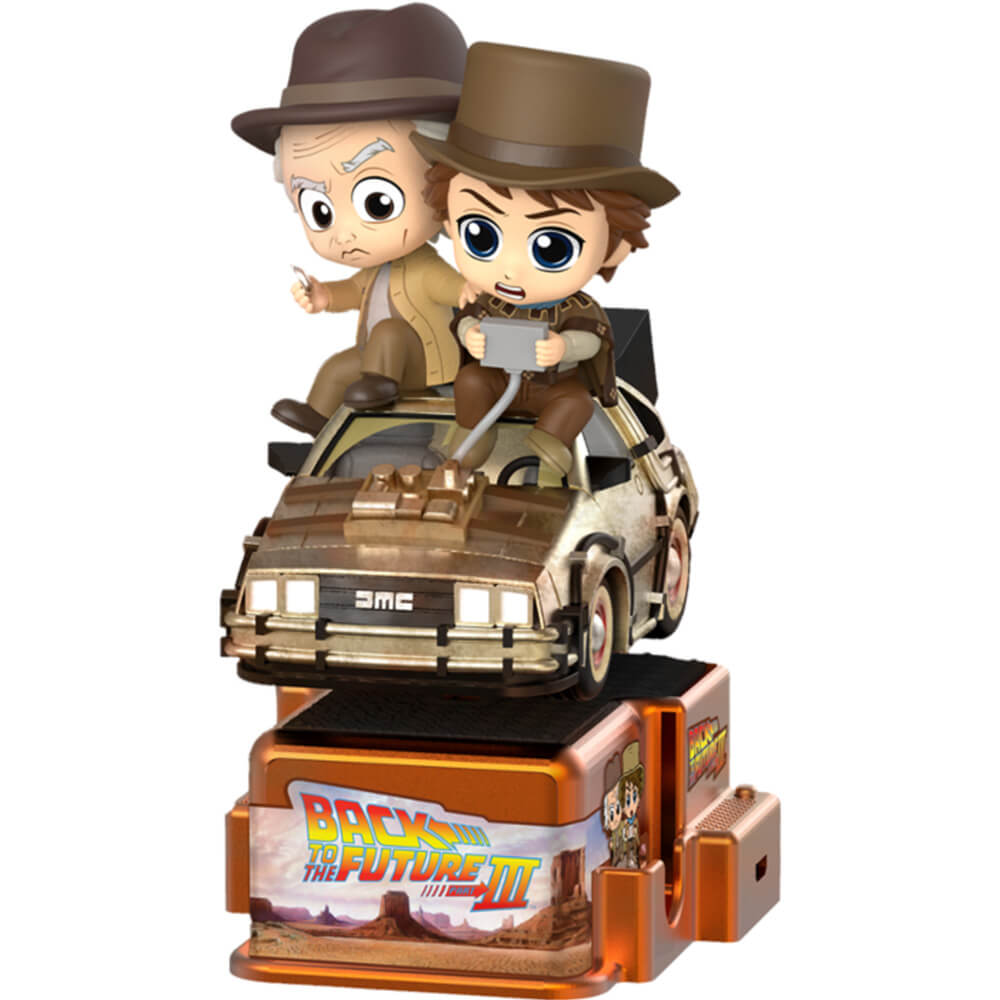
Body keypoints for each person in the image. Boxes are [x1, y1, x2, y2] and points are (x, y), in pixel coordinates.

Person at [415, 42, 678, 474]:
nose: (511, 268)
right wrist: (470, 334)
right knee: (471, 380)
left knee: (575, 402)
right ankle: (469, 440)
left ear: (615, 247)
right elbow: (464, 321)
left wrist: (563, 347)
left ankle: (549, 449)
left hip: (554, 389)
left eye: (552, 248)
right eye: (481, 235)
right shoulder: (487, 299)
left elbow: (592, 340)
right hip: (495, 381)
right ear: (448, 222)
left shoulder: (576, 309)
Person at [232, 5, 469, 435]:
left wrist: (470, 290)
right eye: (319, 210)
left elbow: (452, 289)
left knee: (390, 333)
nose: (343, 233)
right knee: (338, 366)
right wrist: (326, 296)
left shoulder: (424, 268)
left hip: (422, 363)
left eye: (377, 202)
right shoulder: (375, 270)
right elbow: (355, 291)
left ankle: (380, 383)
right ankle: (319, 416)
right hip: (373, 361)